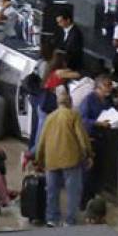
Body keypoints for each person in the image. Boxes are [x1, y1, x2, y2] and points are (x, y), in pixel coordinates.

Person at [38, 87, 92, 228]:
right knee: (73, 192)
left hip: (51, 159)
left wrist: (39, 158)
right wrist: (88, 154)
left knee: (52, 191)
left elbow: (41, 140)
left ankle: (52, 218)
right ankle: (69, 220)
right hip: (71, 159)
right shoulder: (73, 115)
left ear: (58, 103)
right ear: (70, 103)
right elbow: (82, 137)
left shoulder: (49, 117)